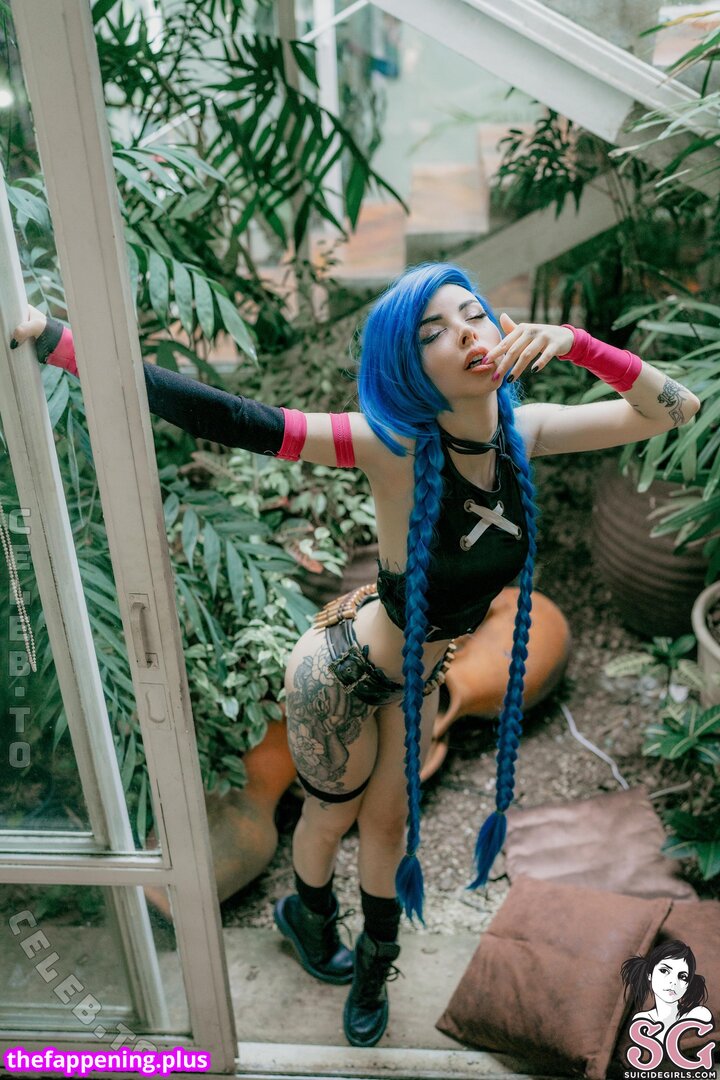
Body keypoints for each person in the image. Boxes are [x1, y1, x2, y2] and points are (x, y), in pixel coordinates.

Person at [11, 262, 701, 1048]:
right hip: (338, 675)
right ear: (408, 365)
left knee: (390, 825)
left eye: (474, 315)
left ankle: (375, 961)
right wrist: (60, 342)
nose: (465, 335)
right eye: (433, 331)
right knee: (331, 815)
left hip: (421, 677)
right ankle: (308, 915)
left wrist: (578, 344)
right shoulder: (390, 444)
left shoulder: (525, 432)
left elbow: (676, 408)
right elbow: (233, 417)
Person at [621, 940, 712, 1043]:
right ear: (649, 974)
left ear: (688, 984)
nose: (673, 982)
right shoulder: (641, 1020)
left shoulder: (699, 1014)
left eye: (682, 977)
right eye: (664, 971)